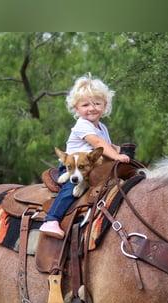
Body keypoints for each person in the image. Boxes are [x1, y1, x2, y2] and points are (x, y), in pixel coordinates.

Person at [39, 74, 131, 238]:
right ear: (76, 108)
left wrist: (120, 150)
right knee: (70, 189)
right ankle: (51, 220)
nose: (92, 108)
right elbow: (98, 144)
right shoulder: (82, 125)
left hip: (92, 169)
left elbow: (107, 146)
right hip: (74, 167)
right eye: (85, 104)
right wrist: (117, 157)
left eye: (97, 103)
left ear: (105, 105)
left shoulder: (102, 127)